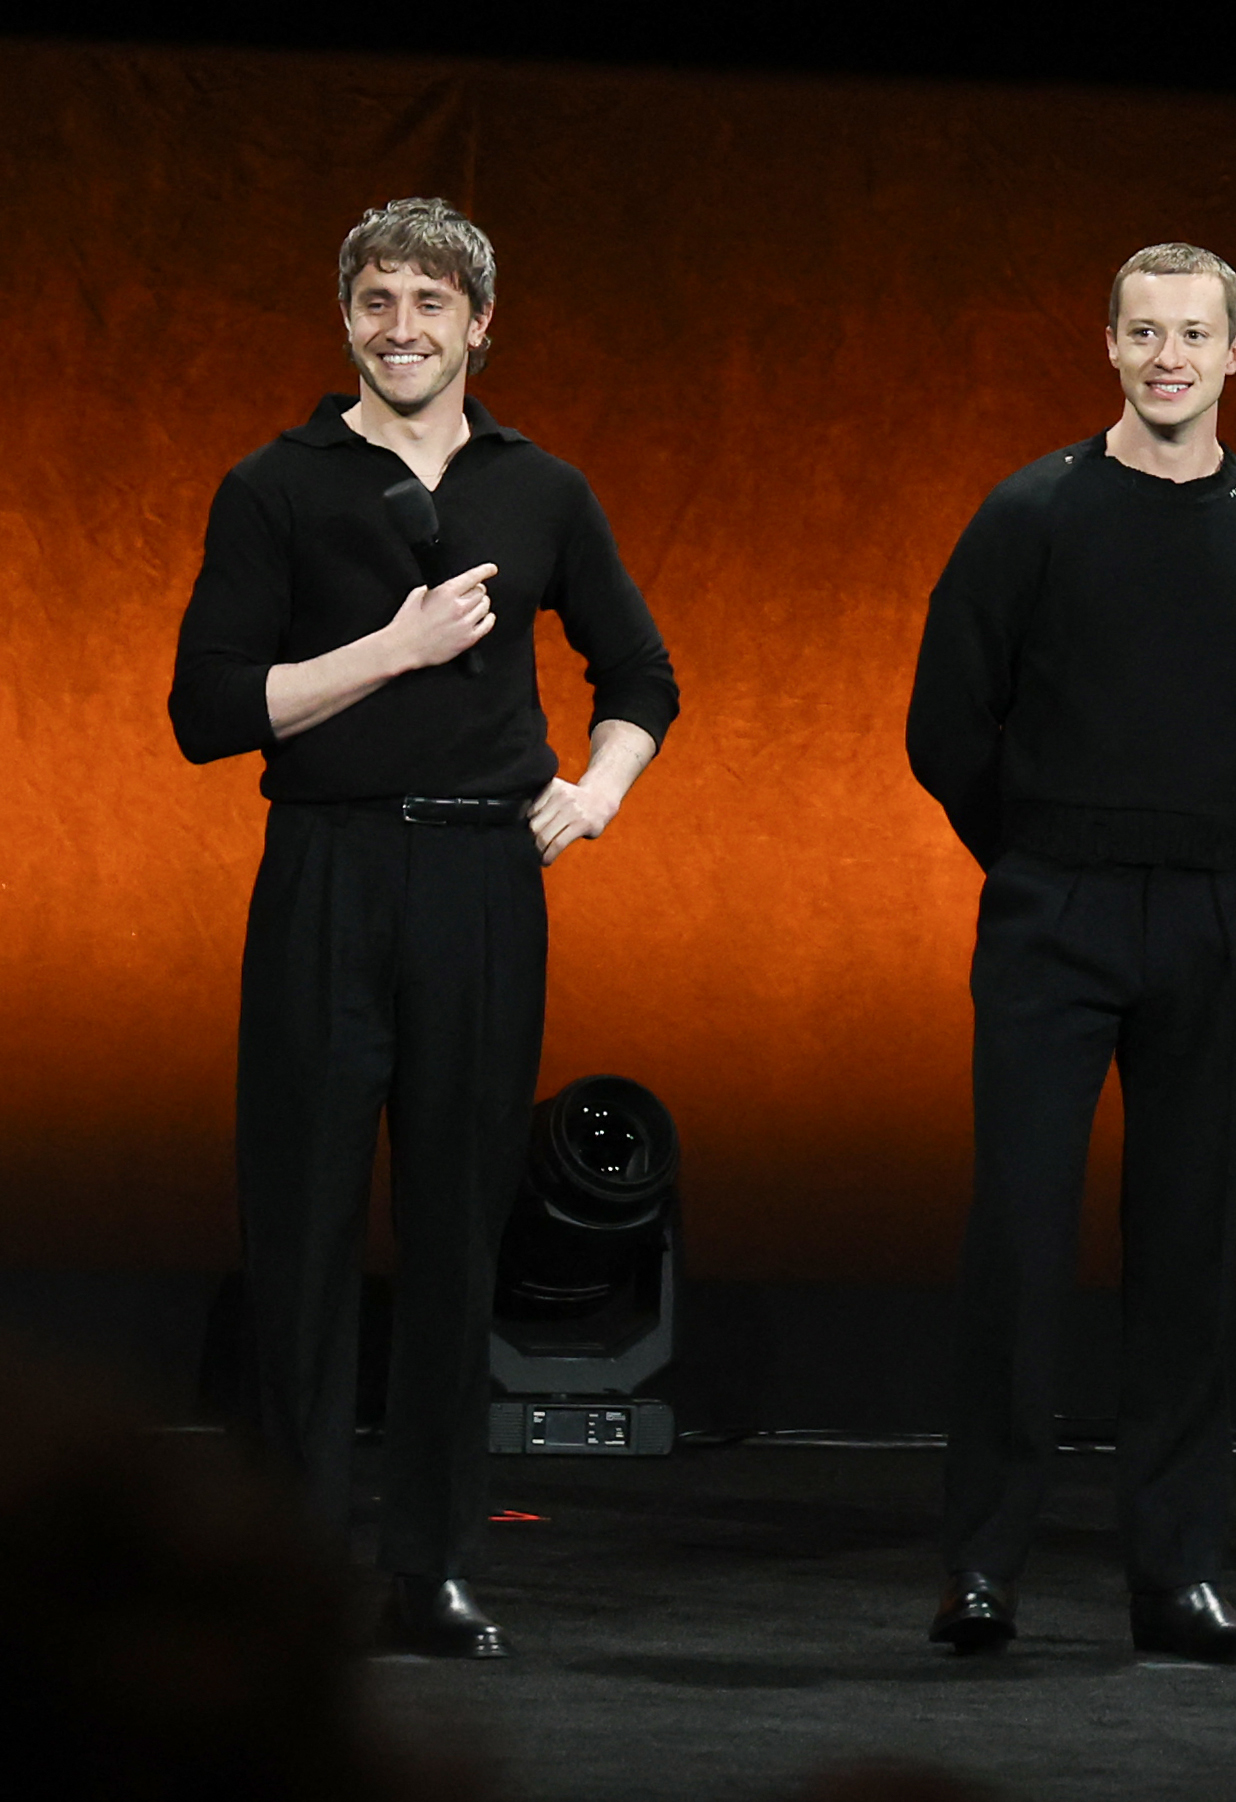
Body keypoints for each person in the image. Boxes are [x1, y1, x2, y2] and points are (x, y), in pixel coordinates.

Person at [168, 197, 678, 1659]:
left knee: (459, 1234)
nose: (403, 328)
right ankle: (286, 1566)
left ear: (479, 323)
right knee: (304, 1232)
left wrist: (598, 791)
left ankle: (434, 1565)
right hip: (326, 873)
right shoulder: (276, 485)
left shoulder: (542, 489)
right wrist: (386, 652)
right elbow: (209, 712)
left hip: (479, 891)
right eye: (378, 300)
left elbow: (641, 670)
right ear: (346, 317)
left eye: (430, 304)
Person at [906, 243, 1236, 1666]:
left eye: (1195, 333)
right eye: (1144, 330)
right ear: (1107, 343)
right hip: (1056, 913)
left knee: (1189, 1252)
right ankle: (982, 1567)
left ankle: (1179, 1578)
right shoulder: (1030, 513)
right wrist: (1034, 862)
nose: (1169, 355)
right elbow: (944, 722)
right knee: (1020, 1242)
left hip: (1219, 920)